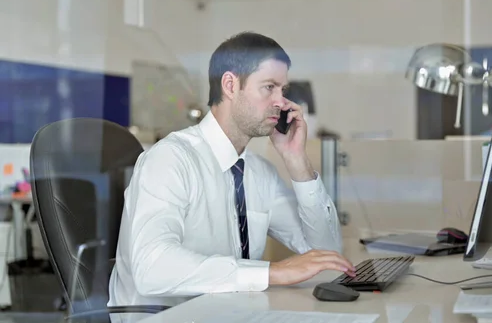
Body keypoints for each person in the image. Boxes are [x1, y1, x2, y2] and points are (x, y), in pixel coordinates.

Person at [108, 31, 356, 307]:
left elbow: (327, 254)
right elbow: (152, 269)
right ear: (230, 85)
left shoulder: (259, 173)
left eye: (282, 90)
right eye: (269, 87)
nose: (282, 102)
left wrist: (297, 161)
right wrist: (272, 272)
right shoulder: (170, 159)